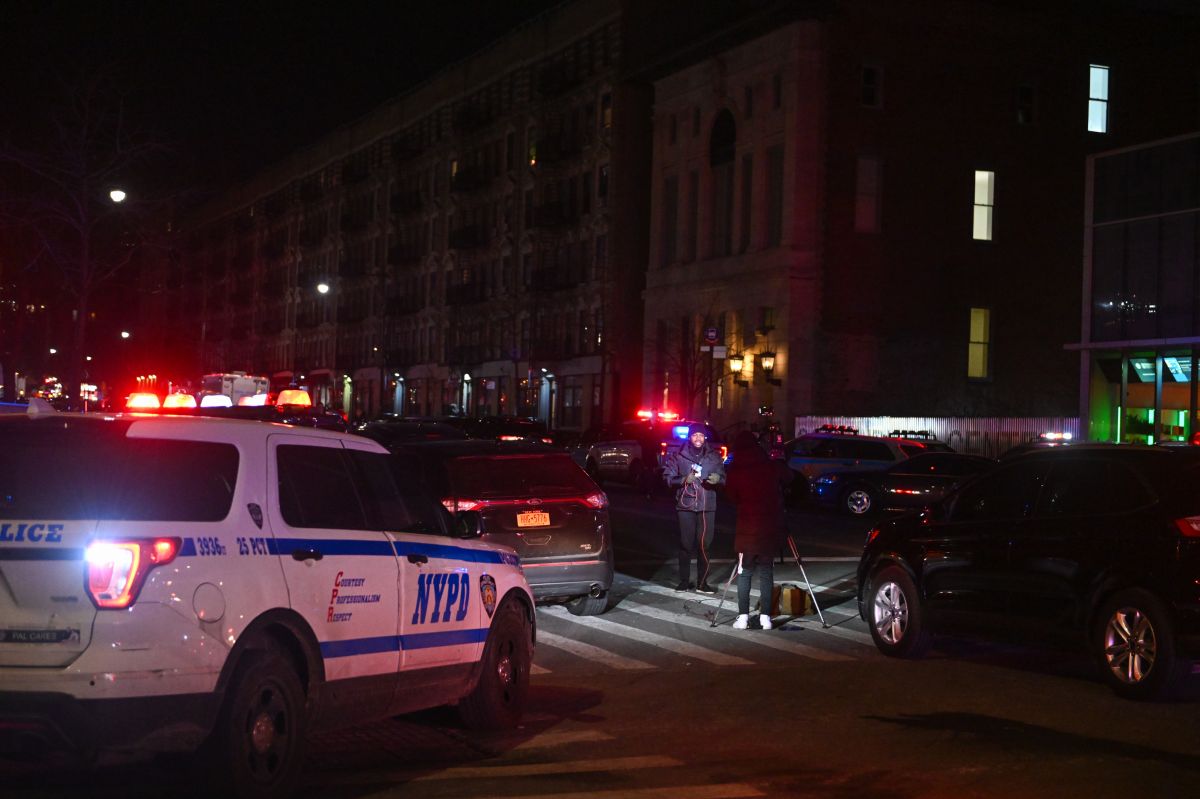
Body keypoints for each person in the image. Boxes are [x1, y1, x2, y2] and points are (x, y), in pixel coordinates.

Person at [723, 430, 790, 630]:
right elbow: (789, 478)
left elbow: (732, 498)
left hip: (747, 528)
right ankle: (765, 618)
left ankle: (743, 617)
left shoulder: (736, 470)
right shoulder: (769, 466)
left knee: (745, 573)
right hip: (769, 527)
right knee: (766, 573)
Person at [665, 423, 725, 593]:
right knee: (686, 544)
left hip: (707, 506)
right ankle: (684, 581)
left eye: (701, 435)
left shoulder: (714, 456)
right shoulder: (679, 455)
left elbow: (724, 477)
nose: (698, 439)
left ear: (705, 437)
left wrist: (718, 479)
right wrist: (684, 479)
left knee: (705, 545)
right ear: (689, 437)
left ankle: (702, 583)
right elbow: (667, 478)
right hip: (686, 505)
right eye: (694, 435)